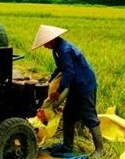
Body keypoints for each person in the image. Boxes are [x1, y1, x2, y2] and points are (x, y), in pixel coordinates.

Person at [32, 25, 104, 158]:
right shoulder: (57, 49)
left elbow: (69, 72)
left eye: (45, 43)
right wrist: (50, 80)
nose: (44, 46)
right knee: (68, 115)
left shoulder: (64, 49)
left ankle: (100, 149)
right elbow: (61, 68)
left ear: (52, 40)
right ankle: (67, 145)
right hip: (75, 85)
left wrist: (58, 91)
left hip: (85, 84)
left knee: (89, 116)